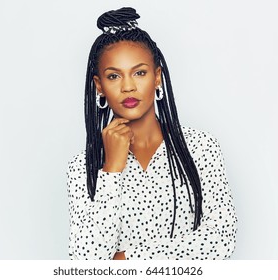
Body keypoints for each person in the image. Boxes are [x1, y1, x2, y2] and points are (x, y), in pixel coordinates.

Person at [67, 7, 237, 260]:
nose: (128, 86)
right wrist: (112, 168)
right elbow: (85, 262)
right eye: (114, 76)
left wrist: (128, 260)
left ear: (157, 77)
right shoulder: (82, 168)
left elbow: (221, 239)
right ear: (99, 86)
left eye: (139, 73)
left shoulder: (200, 147)